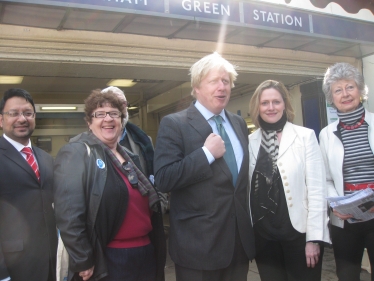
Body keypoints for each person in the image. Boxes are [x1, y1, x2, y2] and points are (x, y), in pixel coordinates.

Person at [154, 52, 255, 281]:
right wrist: (206, 154)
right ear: (196, 87)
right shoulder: (174, 124)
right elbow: (163, 178)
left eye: (226, 81)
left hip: (238, 246)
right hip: (198, 249)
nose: (222, 87)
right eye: (214, 81)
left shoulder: (238, 123)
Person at [53, 89, 166, 281]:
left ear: (122, 121)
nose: (108, 119)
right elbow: (69, 213)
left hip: (145, 253)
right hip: (110, 258)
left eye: (114, 114)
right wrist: (83, 258)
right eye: (100, 114)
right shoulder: (77, 153)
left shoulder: (132, 158)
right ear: (89, 122)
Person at [248, 80, 330, 281]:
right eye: (265, 102)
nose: (271, 107)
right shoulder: (250, 141)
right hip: (264, 236)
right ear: (257, 107)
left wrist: (314, 238)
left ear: (284, 104)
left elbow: (317, 190)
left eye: (276, 101)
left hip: (298, 233)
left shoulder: (305, 136)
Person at [319, 62, 374, 281]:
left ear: (360, 90)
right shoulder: (326, 134)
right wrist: (336, 204)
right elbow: (325, 177)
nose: (345, 94)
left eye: (350, 87)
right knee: (347, 275)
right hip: (345, 218)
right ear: (331, 98)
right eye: (338, 90)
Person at [0, 88, 57, 281]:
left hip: (49, 263)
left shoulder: (47, 159)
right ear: (1, 120)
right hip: (13, 267)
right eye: (13, 113)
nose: (22, 119)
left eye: (27, 113)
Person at [101, 86, 155, 179]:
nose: (118, 111)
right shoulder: (86, 146)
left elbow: (156, 178)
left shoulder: (144, 140)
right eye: (112, 105)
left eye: (122, 104)